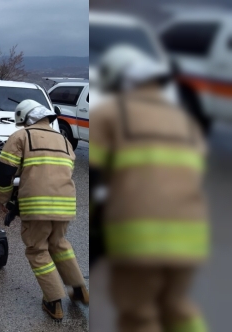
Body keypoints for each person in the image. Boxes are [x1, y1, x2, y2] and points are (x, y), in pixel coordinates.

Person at [90, 44, 208, 332]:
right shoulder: (184, 119)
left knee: (139, 313)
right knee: (176, 306)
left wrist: (95, 227)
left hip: (138, 235)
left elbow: (93, 177)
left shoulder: (110, 113)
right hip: (191, 234)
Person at [0, 99, 88, 321]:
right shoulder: (64, 141)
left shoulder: (22, 136)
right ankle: (79, 289)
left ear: (26, 119)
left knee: (37, 250)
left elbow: (4, 173)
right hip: (65, 204)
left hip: (36, 205)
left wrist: (4, 198)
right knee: (59, 244)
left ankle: (53, 301)